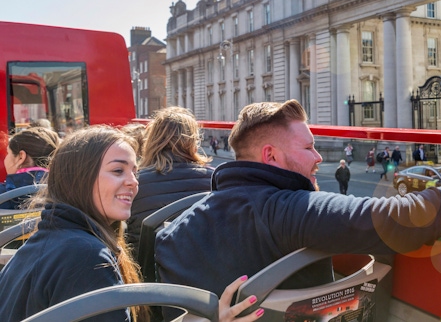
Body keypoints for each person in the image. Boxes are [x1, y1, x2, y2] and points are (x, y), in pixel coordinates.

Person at [155, 99, 441, 299]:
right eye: (308, 147)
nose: (320, 158)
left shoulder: (177, 226)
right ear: (270, 156)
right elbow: (393, 216)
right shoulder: (283, 209)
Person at [0, 125, 263, 322]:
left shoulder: (47, 239)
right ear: (78, 177)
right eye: (118, 170)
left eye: (134, 172)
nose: (133, 182)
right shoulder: (85, 257)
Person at [126, 106, 214, 252]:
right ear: (192, 143)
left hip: (148, 269)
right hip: (202, 268)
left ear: (151, 141)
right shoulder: (215, 179)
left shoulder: (134, 181)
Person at [1, 126, 60, 209]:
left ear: (21, 157)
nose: (5, 158)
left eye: (8, 153)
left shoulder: (3, 194)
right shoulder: (65, 192)